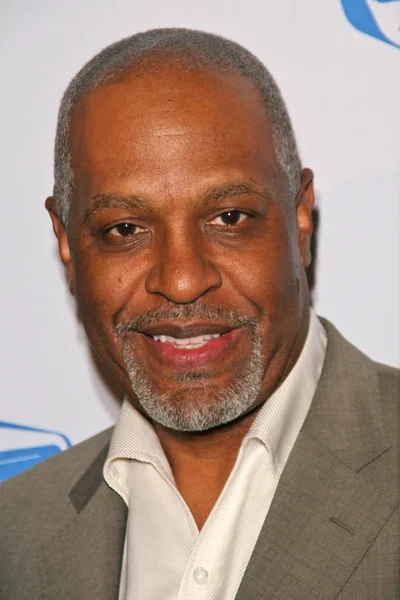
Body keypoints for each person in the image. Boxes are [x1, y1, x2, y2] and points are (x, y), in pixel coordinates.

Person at [0, 28, 398, 600]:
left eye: (229, 218)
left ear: (300, 217)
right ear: (66, 245)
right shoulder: (14, 532)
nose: (182, 280)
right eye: (125, 230)